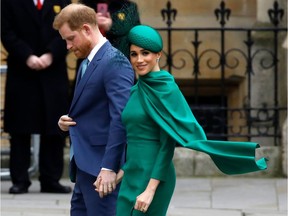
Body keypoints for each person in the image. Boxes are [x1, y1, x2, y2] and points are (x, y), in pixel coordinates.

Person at [111, 25, 268, 215]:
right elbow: (136, 142)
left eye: (145, 53)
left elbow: (166, 145)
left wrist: (150, 190)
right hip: (131, 175)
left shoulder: (167, 90)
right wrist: (119, 175)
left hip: (155, 178)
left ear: (158, 54)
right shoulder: (135, 90)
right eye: (134, 54)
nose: (139, 59)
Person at [53, 3, 134, 216]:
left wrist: (109, 168)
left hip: (101, 170)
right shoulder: (86, 62)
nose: (68, 46)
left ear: (87, 29)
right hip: (84, 167)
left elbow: (121, 118)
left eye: (71, 39)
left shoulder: (115, 61)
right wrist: (66, 122)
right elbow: (92, 109)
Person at [1, 0, 72, 194]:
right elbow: (6, 32)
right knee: (20, 127)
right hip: (22, 70)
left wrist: (51, 54)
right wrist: (27, 56)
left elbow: (70, 28)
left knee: (55, 125)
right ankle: (20, 180)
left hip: (54, 70)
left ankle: (51, 179)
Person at [70, 0, 140, 100]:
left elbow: (135, 35)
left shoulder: (128, 6)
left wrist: (112, 26)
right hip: (89, 67)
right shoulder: (82, 6)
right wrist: (92, 25)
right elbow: (73, 34)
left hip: (120, 67)